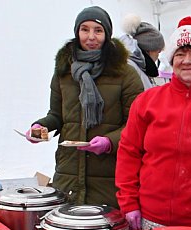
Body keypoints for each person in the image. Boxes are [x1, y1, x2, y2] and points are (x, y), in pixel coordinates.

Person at [115, 17, 191, 230]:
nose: (187, 60)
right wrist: (128, 202)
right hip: (150, 218)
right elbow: (129, 153)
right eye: (180, 54)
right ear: (171, 60)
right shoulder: (147, 101)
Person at [26, 6, 143, 207]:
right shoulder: (64, 72)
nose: (91, 37)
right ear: (76, 32)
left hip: (109, 177)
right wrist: (41, 126)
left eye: (98, 31)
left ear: (107, 34)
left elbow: (137, 124)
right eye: (85, 29)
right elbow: (56, 115)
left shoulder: (125, 73)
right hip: (69, 173)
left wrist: (109, 141)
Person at [118, 14, 165, 90]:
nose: (158, 56)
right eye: (158, 51)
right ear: (149, 49)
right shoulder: (132, 67)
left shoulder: (140, 66)